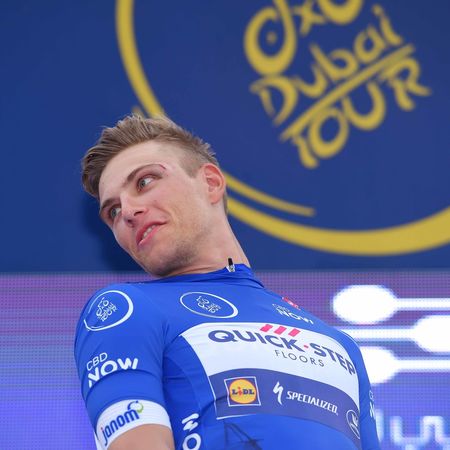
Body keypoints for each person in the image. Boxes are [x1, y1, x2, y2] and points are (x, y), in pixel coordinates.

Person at [75, 115, 380, 450]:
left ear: (211, 183)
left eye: (145, 182)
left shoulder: (339, 344)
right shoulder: (124, 310)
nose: (129, 211)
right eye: (113, 211)